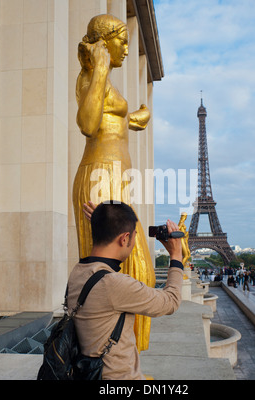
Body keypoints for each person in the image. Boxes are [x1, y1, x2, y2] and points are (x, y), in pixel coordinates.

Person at [72, 14, 155, 352]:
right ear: (105, 42)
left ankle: (124, 362)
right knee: (121, 274)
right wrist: (101, 67)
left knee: (133, 274)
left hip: (116, 178)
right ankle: (107, 364)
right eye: (122, 38)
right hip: (100, 177)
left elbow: (111, 118)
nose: (126, 46)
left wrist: (135, 117)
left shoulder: (106, 83)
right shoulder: (92, 74)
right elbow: (88, 123)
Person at [67, 201, 183, 380]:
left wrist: (105, 220)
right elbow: (171, 302)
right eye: (134, 237)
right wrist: (176, 256)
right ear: (124, 238)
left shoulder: (78, 272)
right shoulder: (113, 284)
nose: (135, 243)